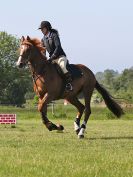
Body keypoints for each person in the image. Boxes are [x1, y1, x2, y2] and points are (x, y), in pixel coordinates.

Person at [38, 21, 73, 91]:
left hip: (60, 57)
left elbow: (58, 47)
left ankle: (69, 84)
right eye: (41, 29)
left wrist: (53, 56)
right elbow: (43, 50)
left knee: (62, 66)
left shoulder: (54, 35)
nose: (41, 30)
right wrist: (43, 58)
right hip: (52, 59)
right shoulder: (43, 39)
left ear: (47, 28)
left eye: (42, 29)